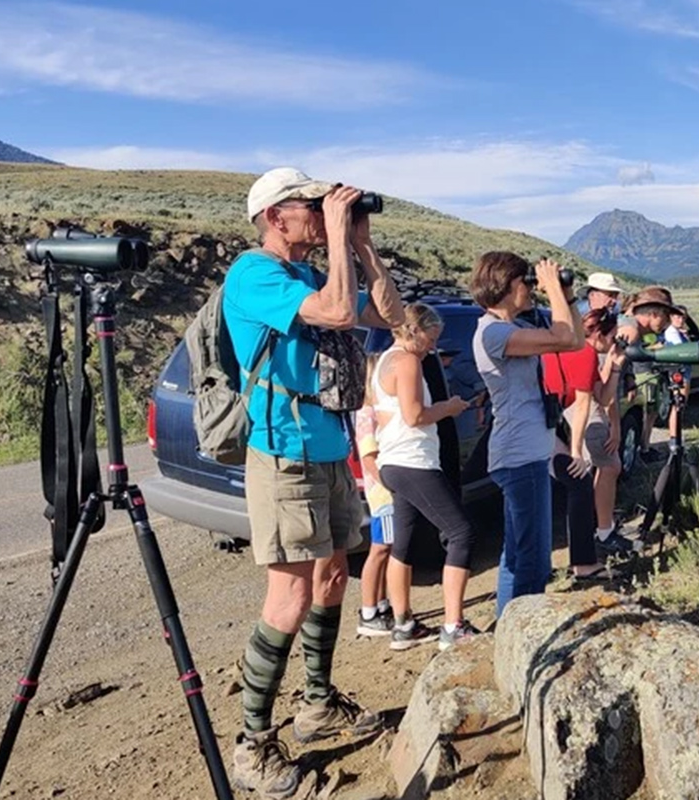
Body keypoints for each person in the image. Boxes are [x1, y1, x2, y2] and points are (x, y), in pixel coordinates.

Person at [223, 166, 404, 797]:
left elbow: (391, 314)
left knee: (332, 578)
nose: (320, 211)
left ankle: (318, 703)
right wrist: (337, 231)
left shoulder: (309, 272)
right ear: (276, 217)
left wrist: (361, 244)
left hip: (329, 448)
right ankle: (251, 747)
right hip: (284, 452)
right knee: (290, 598)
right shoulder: (254, 273)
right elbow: (336, 311)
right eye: (310, 204)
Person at [470, 252, 583, 617]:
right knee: (534, 560)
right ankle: (525, 632)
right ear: (505, 285)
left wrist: (566, 297)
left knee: (517, 554)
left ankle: (507, 627)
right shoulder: (494, 333)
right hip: (520, 456)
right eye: (526, 283)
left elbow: (575, 341)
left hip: (525, 452)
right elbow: (563, 337)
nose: (531, 290)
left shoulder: (509, 327)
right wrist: (552, 288)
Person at [373, 303, 479, 651]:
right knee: (461, 532)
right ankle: (453, 625)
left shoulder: (383, 360)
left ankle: (403, 624)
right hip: (414, 461)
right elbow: (415, 415)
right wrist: (449, 408)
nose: (432, 347)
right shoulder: (407, 361)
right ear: (415, 330)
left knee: (403, 541)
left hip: (392, 460)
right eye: (431, 339)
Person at [542, 308, 635, 569]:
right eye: (613, 336)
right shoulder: (583, 352)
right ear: (599, 335)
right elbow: (584, 404)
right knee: (580, 480)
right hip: (541, 423)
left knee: (579, 484)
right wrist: (576, 452)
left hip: (548, 420)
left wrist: (615, 365)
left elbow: (603, 397)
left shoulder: (588, 352)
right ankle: (590, 549)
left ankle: (584, 558)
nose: (615, 342)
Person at [353, 354, 393, 638]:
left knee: (387, 549)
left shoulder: (374, 412)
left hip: (386, 491)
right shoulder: (367, 416)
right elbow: (369, 458)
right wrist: (390, 484)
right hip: (384, 494)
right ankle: (368, 611)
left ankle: (380, 602)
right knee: (380, 549)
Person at [616, 287, 677, 463]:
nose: (667, 323)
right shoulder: (631, 331)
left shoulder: (629, 325)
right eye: (666, 316)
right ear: (654, 314)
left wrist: (629, 378)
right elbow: (611, 365)